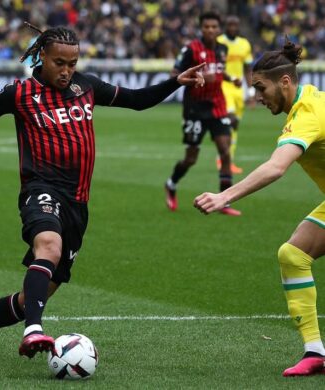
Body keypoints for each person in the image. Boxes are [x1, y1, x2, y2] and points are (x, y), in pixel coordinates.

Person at [0, 25, 205, 361]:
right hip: (40, 189)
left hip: (78, 203)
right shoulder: (20, 93)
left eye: (73, 63)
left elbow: (136, 99)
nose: (67, 70)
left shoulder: (85, 86)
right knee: (49, 246)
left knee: (31, 299)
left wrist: (176, 82)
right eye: (60, 62)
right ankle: (34, 331)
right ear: (42, 55)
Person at [194, 39, 325, 377]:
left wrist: (225, 196)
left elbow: (275, 167)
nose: (257, 97)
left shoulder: (307, 111)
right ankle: (315, 352)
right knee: (293, 255)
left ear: (284, 81)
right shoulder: (309, 100)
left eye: (261, 88)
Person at [164, 11, 242, 216]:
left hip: (217, 106)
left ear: (219, 29)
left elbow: (219, 71)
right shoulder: (190, 49)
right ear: (201, 28)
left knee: (225, 151)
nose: (210, 30)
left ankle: (224, 201)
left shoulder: (223, 49)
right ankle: (171, 184)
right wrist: (196, 76)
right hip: (195, 109)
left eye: (214, 27)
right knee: (191, 159)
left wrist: (231, 78)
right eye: (206, 27)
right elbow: (175, 74)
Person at [216, 15, 255, 174]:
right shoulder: (219, 42)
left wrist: (251, 91)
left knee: (235, 125)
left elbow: (247, 69)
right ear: (225, 26)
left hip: (239, 89)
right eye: (230, 24)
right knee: (230, 120)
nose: (233, 27)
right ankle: (222, 157)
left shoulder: (244, 44)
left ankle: (228, 160)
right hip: (223, 85)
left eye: (235, 25)